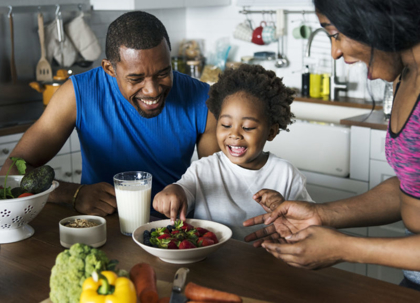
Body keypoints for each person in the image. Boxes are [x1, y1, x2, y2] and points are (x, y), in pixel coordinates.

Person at [243, 0, 420, 291]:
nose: (335, 52)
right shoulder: (405, 76)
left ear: (372, 17)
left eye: (335, 33)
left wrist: (346, 248)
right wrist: (321, 215)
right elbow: (410, 187)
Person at [0, 11, 219, 217]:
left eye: (163, 73)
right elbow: (10, 170)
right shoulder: (78, 94)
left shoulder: (204, 99)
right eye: (136, 79)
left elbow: (218, 183)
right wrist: (73, 194)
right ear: (109, 68)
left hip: (172, 231)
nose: (152, 90)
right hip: (104, 226)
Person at [152, 64, 313, 240]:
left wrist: (284, 208)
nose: (234, 134)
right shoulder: (203, 169)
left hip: (265, 262)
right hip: (212, 260)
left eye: (248, 127)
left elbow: (310, 225)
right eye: (226, 125)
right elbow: (183, 190)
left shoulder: (286, 175)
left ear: (271, 132)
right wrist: (172, 191)